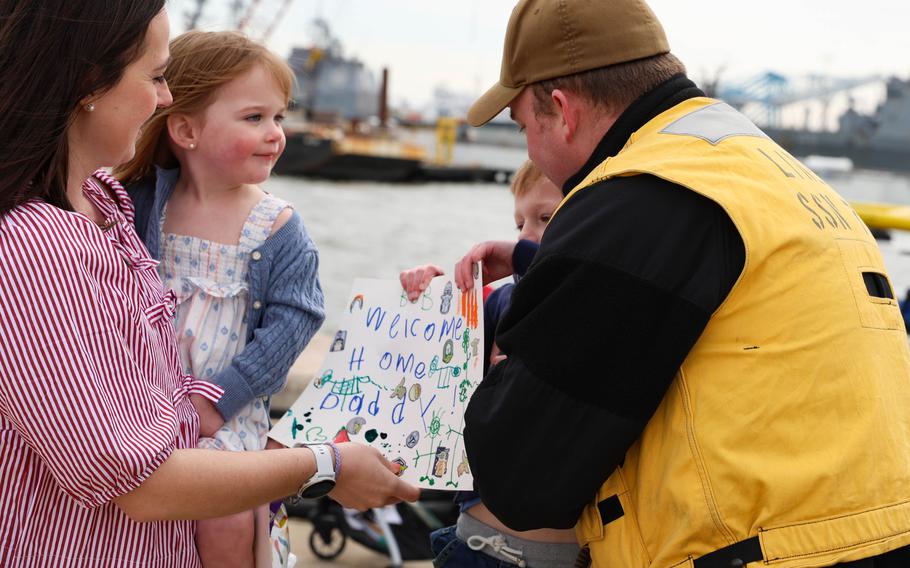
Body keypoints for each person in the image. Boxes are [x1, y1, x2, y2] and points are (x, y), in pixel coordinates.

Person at [453, 1, 910, 567]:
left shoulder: (635, 197)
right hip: (867, 536)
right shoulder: (762, 172)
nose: (529, 150)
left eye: (523, 126)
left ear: (563, 112)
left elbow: (522, 474)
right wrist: (538, 265)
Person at [0, 3, 418, 567]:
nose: (166, 97)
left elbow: (294, 318)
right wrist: (327, 465)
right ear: (87, 80)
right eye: (155, 75)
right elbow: (137, 479)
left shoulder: (107, 200)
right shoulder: (40, 246)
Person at [115, 30, 319, 568]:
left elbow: (295, 322)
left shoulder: (276, 228)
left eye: (278, 117)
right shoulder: (139, 206)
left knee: (224, 516)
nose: (275, 134)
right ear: (185, 129)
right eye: (254, 118)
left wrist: (218, 399)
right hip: (146, 410)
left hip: (223, 417)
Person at [401, 160, 578, 567]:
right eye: (519, 225)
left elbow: (576, 282)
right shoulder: (502, 301)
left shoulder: (595, 308)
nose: (528, 235)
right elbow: (442, 369)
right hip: (474, 539)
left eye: (546, 218)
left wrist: (521, 254)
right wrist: (428, 300)